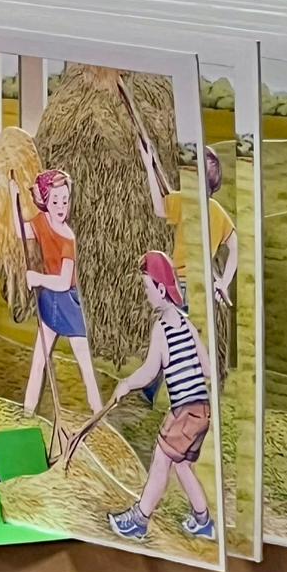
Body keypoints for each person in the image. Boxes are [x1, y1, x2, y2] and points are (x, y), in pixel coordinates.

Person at [108, 251, 215, 542]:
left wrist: (126, 384)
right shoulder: (187, 325)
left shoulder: (162, 329)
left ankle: (139, 521)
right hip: (201, 411)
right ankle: (203, 521)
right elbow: (208, 369)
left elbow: (149, 371)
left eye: (147, 287)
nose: (146, 294)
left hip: (185, 412)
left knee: (160, 462)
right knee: (182, 465)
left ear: (160, 288)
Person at [10, 169, 102, 416]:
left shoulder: (68, 238)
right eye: (55, 201)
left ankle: (97, 412)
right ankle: (28, 411)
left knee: (84, 362)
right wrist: (14, 198)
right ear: (45, 203)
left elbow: (63, 282)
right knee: (39, 359)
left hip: (67, 301)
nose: (61, 207)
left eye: (65, 200)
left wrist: (37, 278)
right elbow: (20, 231)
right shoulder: (41, 221)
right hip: (49, 300)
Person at [138, 139, 237, 306]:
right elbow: (236, 246)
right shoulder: (217, 210)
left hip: (182, 283)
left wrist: (149, 165)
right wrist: (224, 282)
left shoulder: (188, 202)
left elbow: (159, 209)